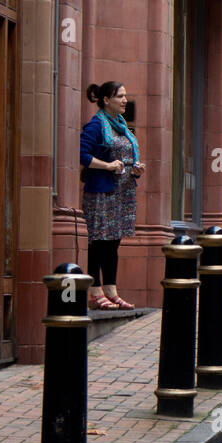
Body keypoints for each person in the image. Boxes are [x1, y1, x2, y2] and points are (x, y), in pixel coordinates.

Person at [80, 81, 145, 310]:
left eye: (125, 96)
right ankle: (95, 292)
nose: (125, 100)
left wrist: (135, 170)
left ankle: (111, 290)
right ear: (106, 100)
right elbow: (82, 155)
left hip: (123, 192)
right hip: (102, 192)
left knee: (113, 243)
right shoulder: (96, 125)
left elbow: (126, 158)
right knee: (99, 242)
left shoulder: (121, 126)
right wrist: (108, 166)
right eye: (120, 96)